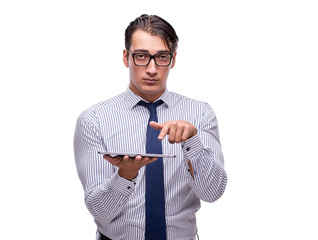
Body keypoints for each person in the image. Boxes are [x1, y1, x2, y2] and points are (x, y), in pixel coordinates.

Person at [74, 14, 227, 240]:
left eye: (162, 57)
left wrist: (192, 142)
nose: (152, 69)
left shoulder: (200, 113)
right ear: (126, 57)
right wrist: (125, 175)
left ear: (173, 60)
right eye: (142, 56)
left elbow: (212, 193)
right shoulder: (94, 120)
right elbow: (100, 212)